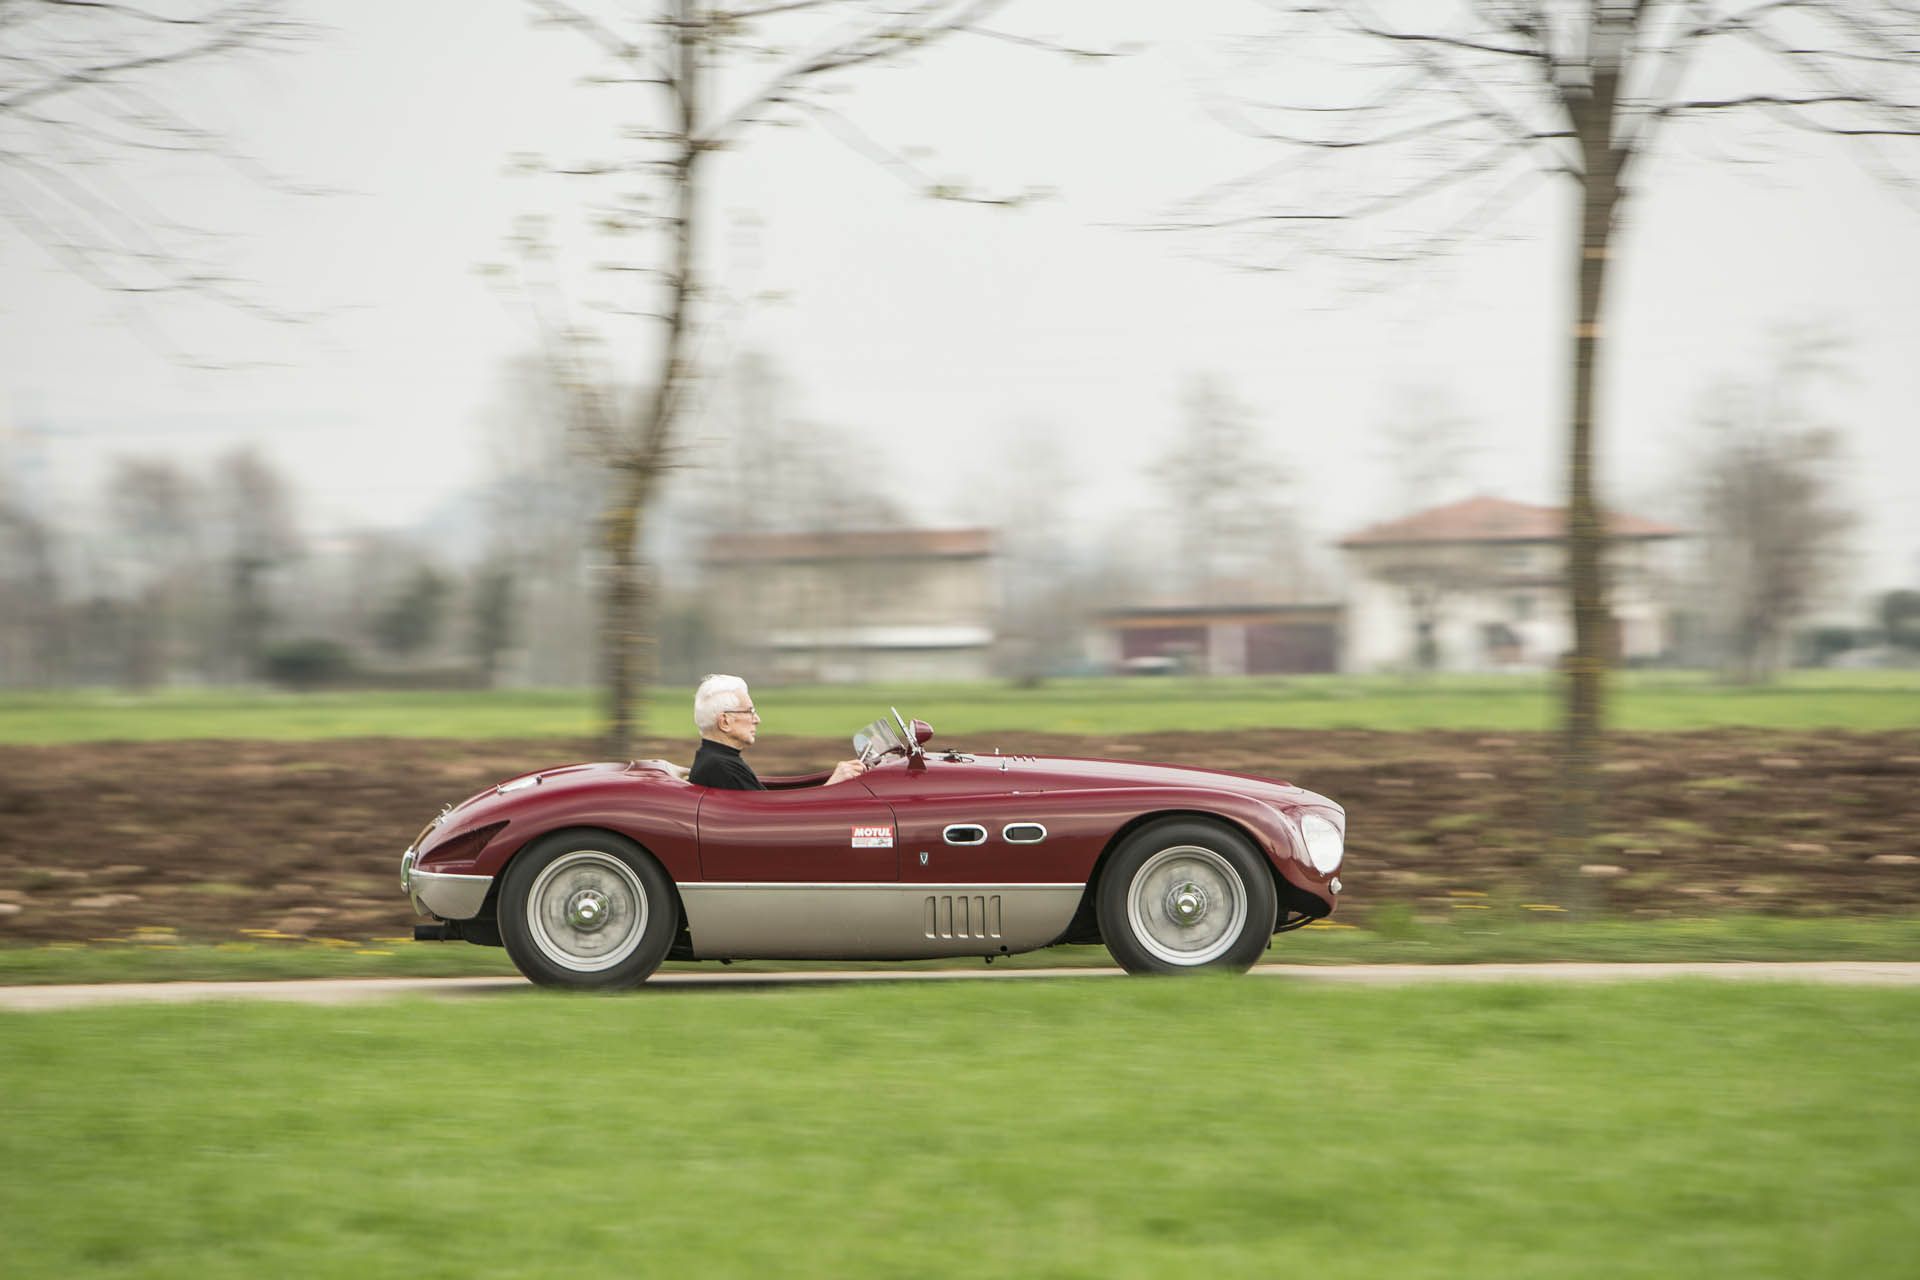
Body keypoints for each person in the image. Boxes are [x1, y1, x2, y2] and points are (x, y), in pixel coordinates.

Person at [689, 674, 866, 790]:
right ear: (725, 721)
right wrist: (831, 786)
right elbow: (771, 815)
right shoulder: (721, 767)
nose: (757, 719)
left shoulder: (718, 760)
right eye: (749, 711)